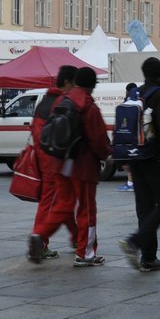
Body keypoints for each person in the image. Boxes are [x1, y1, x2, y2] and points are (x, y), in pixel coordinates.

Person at [117, 57, 160, 273]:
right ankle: (134, 243)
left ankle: (148, 258)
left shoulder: (136, 93)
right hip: (154, 158)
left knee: (145, 209)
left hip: (136, 157)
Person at [58, 66, 111, 266]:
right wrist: (108, 154)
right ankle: (85, 253)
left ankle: (84, 249)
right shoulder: (88, 106)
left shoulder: (66, 100)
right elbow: (98, 140)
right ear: (93, 84)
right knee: (88, 210)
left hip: (66, 163)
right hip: (85, 165)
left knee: (76, 207)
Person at [26, 66, 74, 262]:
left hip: (45, 158)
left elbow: (37, 133)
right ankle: (39, 240)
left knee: (64, 201)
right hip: (56, 161)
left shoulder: (44, 102)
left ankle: (77, 239)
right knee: (57, 202)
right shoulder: (61, 103)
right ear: (68, 82)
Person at [116, 82, 139, 191]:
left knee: (127, 162)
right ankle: (132, 183)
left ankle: (131, 183)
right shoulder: (141, 101)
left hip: (127, 136)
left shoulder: (127, 103)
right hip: (138, 137)